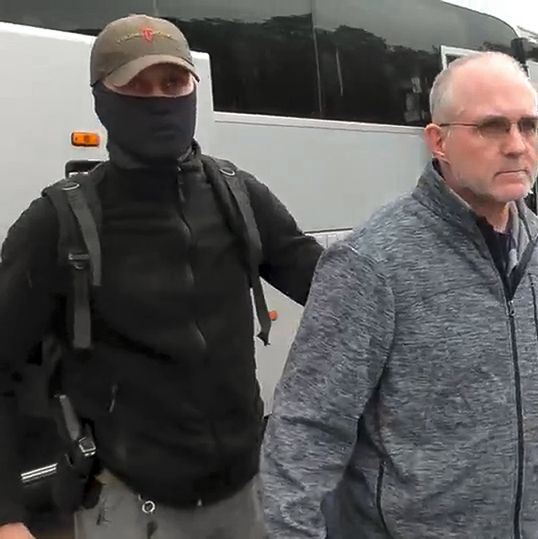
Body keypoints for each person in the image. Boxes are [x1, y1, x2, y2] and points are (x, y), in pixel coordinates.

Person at [0, 14, 323, 539]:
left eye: (173, 83)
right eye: (136, 86)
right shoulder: (57, 223)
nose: (158, 100)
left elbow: (339, 292)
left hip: (247, 497)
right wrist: (7, 515)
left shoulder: (237, 196)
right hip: (128, 506)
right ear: (101, 98)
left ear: (194, 88)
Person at [260, 52, 538, 538]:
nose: (517, 146)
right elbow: (306, 429)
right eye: (492, 127)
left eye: (529, 125)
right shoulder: (372, 262)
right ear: (439, 140)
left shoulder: (535, 244)